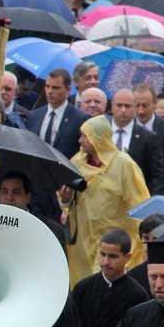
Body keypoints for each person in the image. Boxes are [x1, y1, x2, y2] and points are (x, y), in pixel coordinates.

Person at [60, 116, 150, 287]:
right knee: (85, 287)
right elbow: (66, 203)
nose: (80, 140)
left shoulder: (123, 164)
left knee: (108, 285)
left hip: (113, 244)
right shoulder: (77, 161)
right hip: (83, 243)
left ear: (98, 137)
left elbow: (140, 204)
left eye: (85, 136)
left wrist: (144, 238)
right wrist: (65, 200)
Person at [109, 88, 164, 195]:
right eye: (119, 105)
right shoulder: (101, 129)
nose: (123, 110)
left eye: (127, 106)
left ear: (135, 107)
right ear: (112, 105)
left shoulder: (148, 138)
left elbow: (159, 176)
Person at [26, 68, 88, 161]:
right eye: (47, 86)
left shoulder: (80, 119)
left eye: (55, 87)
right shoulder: (34, 116)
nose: (50, 91)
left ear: (68, 89)